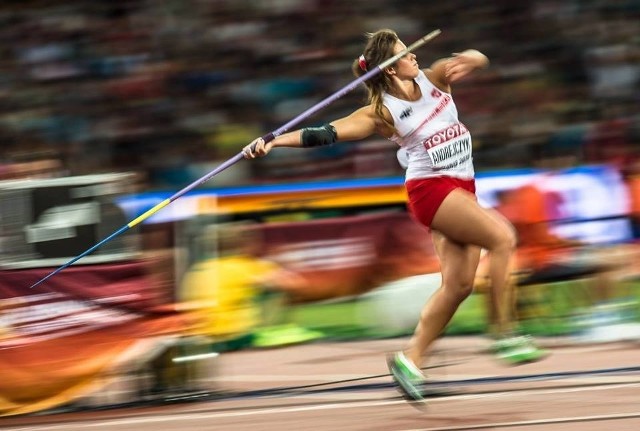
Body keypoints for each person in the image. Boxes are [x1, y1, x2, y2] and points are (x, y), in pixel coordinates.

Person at [242, 29, 545, 404]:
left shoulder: (435, 78)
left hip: (462, 188)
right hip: (432, 190)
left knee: (459, 286)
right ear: (389, 69)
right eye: (406, 53)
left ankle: (410, 360)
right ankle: (505, 332)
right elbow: (325, 133)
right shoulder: (381, 113)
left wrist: (472, 57)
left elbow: (477, 56)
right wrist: (272, 141)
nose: (415, 56)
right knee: (503, 237)